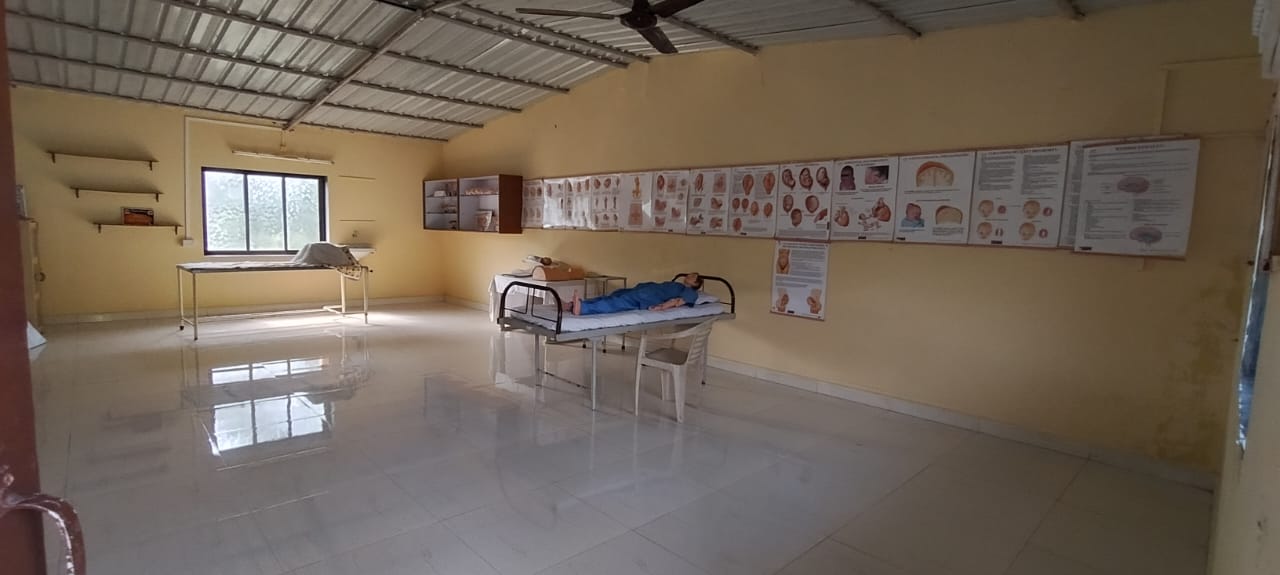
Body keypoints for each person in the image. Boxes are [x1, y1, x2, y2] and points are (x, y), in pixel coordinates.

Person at [566, 273, 704, 316]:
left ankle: (583, 309)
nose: (689, 274)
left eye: (693, 276)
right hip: (644, 291)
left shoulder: (691, 293)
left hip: (648, 297)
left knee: (617, 303)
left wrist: (661, 307)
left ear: (695, 283)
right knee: (615, 295)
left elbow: (677, 301)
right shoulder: (679, 285)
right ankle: (577, 304)